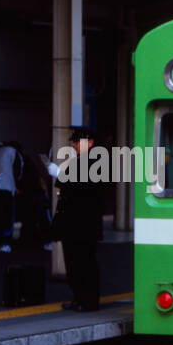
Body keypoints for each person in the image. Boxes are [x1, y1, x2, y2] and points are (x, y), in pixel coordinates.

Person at [54, 128, 106, 311]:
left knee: (85, 262)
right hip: (72, 221)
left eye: (78, 141)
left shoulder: (98, 161)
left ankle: (89, 300)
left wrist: (63, 177)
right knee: (73, 262)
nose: (74, 145)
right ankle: (78, 297)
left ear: (90, 143)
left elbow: (85, 187)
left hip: (85, 222)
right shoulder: (76, 161)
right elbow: (61, 182)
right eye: (73, 142)